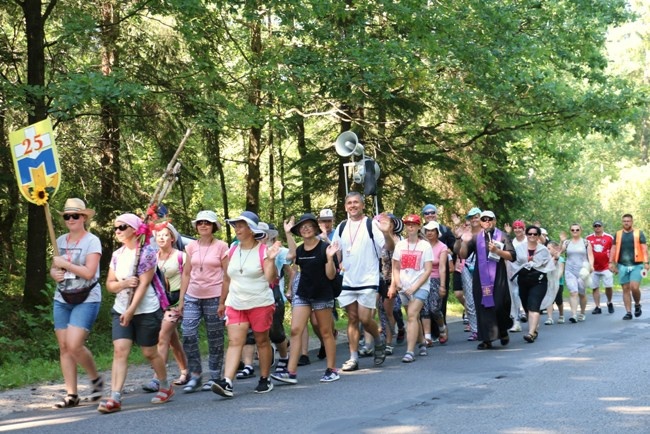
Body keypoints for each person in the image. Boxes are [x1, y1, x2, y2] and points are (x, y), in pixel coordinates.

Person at [98, 213, 172, 413]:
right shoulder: (117, 255)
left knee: (149, 352)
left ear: (134, 230)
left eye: (122, 227)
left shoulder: (147, 253)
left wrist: (132, 310)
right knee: (120, 350)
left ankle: (165, 385)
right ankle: (115, 397)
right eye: (116, 228)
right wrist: (122, 284)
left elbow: (143, 285)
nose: (118, 231)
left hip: (146, 309)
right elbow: (109, 285)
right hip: (120, 309)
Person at [211, 211, 281, 398]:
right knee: (235, 342)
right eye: (236, 225)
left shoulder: (262, 251)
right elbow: (227, 278)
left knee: (261, 341)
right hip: (235, 303)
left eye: (242, 225)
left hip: (260, 303)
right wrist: (222, 302)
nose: (237, 229)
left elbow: (269, 278)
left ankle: (265, 379)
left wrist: (272, 260)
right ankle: (227, 382)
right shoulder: (231, 251)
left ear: (251, 229)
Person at [271, 214, 340, 384]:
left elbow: (331, 275)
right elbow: (293, 255)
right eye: (302, 226)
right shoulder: (301, 250)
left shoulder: (325, 247)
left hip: (322, 293)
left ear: (316, 228)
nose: (306, 228)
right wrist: (287, 233)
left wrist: (330, 258)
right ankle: (291, 372)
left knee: (325, 331)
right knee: (295, 330)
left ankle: (331, 369)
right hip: (303, 293)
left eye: (309, 225)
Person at [332, 191, 395, 372]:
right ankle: (353, 358)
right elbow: (336, 250)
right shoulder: (341, 227)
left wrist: (386, 233)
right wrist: (337, 261)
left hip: (368, 278)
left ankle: (378, 339)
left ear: (362, 205)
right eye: (349, 203)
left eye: (356, 202)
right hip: (348, 279)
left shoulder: (371, 224)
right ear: (345, 207)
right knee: (352, 318)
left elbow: (389, 247)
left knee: (365, 318)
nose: (353, 206)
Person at [50, 198, 103, 408]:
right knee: (64, 347)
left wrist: (66, 264)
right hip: (62, 297)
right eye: (66, 216)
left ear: (84, 217)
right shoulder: (60, 240)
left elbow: (90, 273)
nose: (70, 219)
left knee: (74, 344)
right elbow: (54, 268)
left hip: (87, 297)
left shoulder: (92, 241)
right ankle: (72, 394)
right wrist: (54, 272)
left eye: (75, 215)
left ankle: (95, 380)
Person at [177, 211, 229, 393]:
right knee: (188, 332)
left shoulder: (222, 246)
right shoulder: (191, 246)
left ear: (213, 226)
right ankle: (195, 374)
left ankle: (215, 376)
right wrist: (181, 300)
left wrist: (223, 301)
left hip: (214, 295)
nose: (203, 225)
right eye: (200, 223)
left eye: (207, 223)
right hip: (192, 294)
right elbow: (186, 273)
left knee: (215, 338)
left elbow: (227, 275)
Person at [456, 210, 515, 350]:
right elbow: (463, 254)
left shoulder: (502, 236)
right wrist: (463, 241)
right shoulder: (476, 238)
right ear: (481, 222)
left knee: (500, 305)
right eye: (484, 219)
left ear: (494, 221)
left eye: (490, 219)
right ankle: (486, 339)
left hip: (498, 278)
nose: (487, 222)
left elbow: (512, 256)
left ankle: (502, 330)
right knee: (482, 308)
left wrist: (498, 251)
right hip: (481, 279)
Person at [142, 223, 189, 392]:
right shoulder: (152, 256)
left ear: (172, 238)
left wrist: (182, 301)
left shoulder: (181, 256)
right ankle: (185, 371)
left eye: (165, 234)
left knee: (162, 336)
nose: (161, 237)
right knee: (172, 340)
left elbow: (186, 279)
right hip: (159, 302)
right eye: (158, 234)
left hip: (175, 301)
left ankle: (157, 379)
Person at [388, 215, 433, 362]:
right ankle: (421, 343)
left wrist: (414, 287)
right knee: (414, 317)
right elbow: (395, 267)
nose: (410, 227)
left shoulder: (425, 246)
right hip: (404, 288)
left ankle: (409, 352)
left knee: (412, 315)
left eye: (413, 224)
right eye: (408, 224)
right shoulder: (400, 245)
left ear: (419, 227)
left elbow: (427, 270)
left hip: (420, 286)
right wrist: (396, 283)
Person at [510, 226, 555, 343]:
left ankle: (530, 333)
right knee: (527, 306)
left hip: (539, 281)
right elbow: (514, 263)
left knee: (534, 305)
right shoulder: (519, 249)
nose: (532, 236)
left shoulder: (543, 250)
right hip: (523, 280)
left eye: (535, 234)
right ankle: (534, 329)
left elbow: (548, 265)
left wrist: (537, 266)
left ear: (538, 236)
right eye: (529, 234)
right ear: (526, 234)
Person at [609, 214, 649, 320]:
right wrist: (611, 263)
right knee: (625, 289)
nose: (626, 223)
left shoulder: (638, 233)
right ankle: (628, 312)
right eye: (624, 221)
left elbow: (644, 248)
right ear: (622, 222)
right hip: (622, 265)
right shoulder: (617, 234)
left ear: (632, 222)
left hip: (637, 264)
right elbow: (613, 249)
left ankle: (637, 304)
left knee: (634, 287)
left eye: (628, 221)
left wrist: (646, 262)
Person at [452, 207, 481, 342]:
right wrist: (459, 238)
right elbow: (456, 250)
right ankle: (475, 330)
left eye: (477, 217)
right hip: (466, 267)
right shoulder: (463, 233)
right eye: (471, 218)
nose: (474, 220)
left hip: (483, 268)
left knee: (484, 298)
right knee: (470, 299)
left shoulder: (485, 232)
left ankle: (487, 327)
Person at [421, 220, 448, 346]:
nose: (430, 233)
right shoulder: (421, 245)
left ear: (437, 233)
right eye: (428, 231)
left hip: (436, 279)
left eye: (432, 230)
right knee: (424, 309)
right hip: (422, 279)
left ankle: (442, 328)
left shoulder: (442, 247)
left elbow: (442, 267)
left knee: (434, 308)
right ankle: (427, 337)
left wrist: (442, 286)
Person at [561, 224, 594, 323]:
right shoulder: (567, 243)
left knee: (581, 293)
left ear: (581, 230)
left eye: (577, 229)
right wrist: (561, 241)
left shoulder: (586, 242)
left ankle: (582, 313)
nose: (575, 231)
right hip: (569, 270)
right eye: (572, 230)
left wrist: (591, 265)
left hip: (582, 271)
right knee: (573, 292)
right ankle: (574, 314)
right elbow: (559, 252)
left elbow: (590, 255)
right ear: (570, 231)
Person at [586, 221, 615, 314]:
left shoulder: (609, 237)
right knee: (595, 287)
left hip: (606, 266)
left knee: (609, 286)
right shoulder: (588, 238)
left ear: (602, 227)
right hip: (594, 267)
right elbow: (585, 252)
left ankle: (609, 302)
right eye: (595, 226)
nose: (597, 227)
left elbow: (614, 250)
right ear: (593, 227)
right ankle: (597, 306)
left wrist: (613, 263)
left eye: (599, 226)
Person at [506, 220, 527, 332]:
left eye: (520, 228)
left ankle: (531, 317)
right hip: (514, 273)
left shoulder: (529, 240)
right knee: (514, 295)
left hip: (528, 273)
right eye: (515, 228)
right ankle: (516, 322)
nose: (518, 230)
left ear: (524, 229)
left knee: (526, 297)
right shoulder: (512, 242)